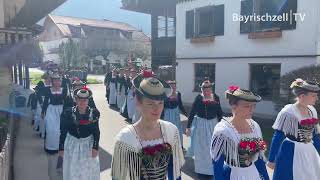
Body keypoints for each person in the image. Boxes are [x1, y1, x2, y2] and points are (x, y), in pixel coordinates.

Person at [111, 70, 185, 180]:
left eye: (160, 103)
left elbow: (175, 172)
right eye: (150, 103)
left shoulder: (171, 131)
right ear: (138, 102)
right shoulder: (125, 139)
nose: (157, 109)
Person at [211, 86, 269, 180]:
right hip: (232, 175)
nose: (251, 110)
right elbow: (217, 163)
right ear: (234, 106)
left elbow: (259, 159)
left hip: (252, 174)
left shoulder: (255, 127)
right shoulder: (223, 131)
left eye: (253, 106)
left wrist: (266, 178)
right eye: (247, 106)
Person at [267, 78, 320, 180]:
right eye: (313, 95)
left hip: (309, 151)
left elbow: (315, 135)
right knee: (289, 175)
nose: (316, 98)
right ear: (302, 96)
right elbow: (278, 135)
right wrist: (271, 159)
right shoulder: (288, 112)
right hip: (291, 150)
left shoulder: (312, 110)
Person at [59, 87, 100, 180]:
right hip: (72, 145)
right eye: (79, 100)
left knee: (87, 171)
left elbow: (96, 131)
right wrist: (61, 147)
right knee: (72, 170)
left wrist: (95, 147)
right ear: (76, 100)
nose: (82, 102)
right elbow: (63, 130)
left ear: (88, 101)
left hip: (87, 145)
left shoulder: (94, 113)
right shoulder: (68, 113)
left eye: (85, 100)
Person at [185, 78, 223, 178]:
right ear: (201, 89)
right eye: (204, 89)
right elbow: (192, 112)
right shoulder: (198, 98)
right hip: (201, 125)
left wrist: (223, 125)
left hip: (213, 124)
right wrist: (188, 127)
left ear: (211, 89)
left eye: (208, 89)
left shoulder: (216, 97)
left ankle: (211, 169)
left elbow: (219, 112)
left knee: (213, 146)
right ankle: (201, 170)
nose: (206, 91)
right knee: (201, 148)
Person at [41, 73, 67, 180]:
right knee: (51, 130)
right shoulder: (48, 90)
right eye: (55, 81)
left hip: (61, 111)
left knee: (60, 131)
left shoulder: (64, 89)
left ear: (60, 81)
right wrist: (43, 112)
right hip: (51, 111)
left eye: (58, 80)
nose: (57, 82)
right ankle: (51, 148)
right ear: (52, 81)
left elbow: (66, 102)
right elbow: (46, 101)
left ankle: (60, 148)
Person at [161, 80, 188, 146]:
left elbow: (180, 105)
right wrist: (161, 116)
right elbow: (162, 105)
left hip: (176, 114)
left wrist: (185, 113)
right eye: (171, 86)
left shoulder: (178, 94)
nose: (173, 87)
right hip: (168, 113)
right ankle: (168, 145)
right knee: (167, 129)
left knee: (177, 129)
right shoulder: (165, 94)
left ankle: (179, 145)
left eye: (174, 86)